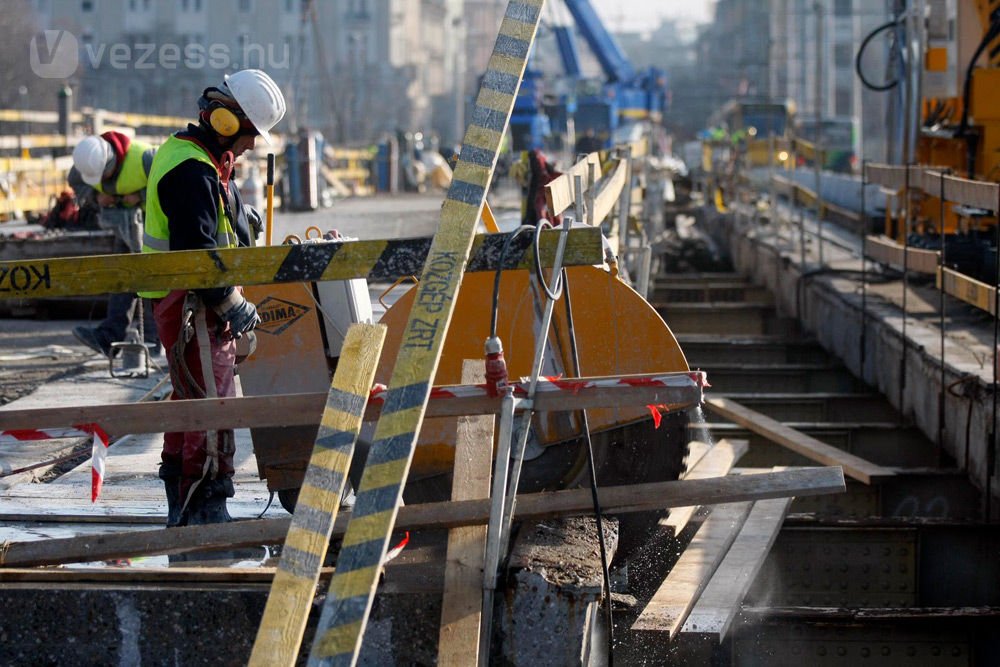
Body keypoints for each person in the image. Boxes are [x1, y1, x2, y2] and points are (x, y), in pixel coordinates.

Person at [139, 69, 285, 526]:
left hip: (190, 304)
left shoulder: (198, 158)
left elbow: (213, 226)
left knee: (191, 401)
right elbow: (196, 254)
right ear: (226, 121)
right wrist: (229, 301)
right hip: (193, 306)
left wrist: (244, 224)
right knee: (212, 405)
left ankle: (185, 507)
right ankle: (204, 506)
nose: (250, 145)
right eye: (249, 134)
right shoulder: (192, 169)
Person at [68, 132, 160, 357]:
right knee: (122, 279)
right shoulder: (85, 163)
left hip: (153, 227)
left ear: (112, 161)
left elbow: (171, 184)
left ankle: (152, 340)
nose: (104, 181)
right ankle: (109, 337)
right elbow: (76, 182)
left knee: (154, 280)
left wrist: (140, 194)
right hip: (124, 226)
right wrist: (94, 197)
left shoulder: (146, 158)